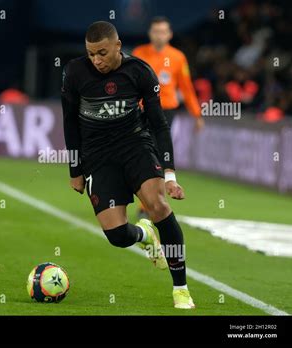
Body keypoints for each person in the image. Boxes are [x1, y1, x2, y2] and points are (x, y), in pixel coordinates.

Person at [61, 22, 195, 309]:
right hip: (97, 156)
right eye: (91, 54)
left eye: (102, 53)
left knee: (157, 204)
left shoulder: (140, 72)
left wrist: (170, 175)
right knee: (117, 236)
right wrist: (75, 170)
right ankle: (145, 235)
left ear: (118, 47)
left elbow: (159, 124)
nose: (96, 60)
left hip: (135, 145)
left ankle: (181, 288)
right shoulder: (75, 72)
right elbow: (70, 121)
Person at [132, 17, 204, 219]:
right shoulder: (139, 54)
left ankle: (149, 204)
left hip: (165, 111)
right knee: (144, 154)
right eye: (156, 31)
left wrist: (196, 114)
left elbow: (187, 88)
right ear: (150, 33)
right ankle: (147, 202)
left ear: (170, 34)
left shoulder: (178, 57)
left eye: (163, 31)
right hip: (142, 110)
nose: (159, 35)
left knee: (155, 153)